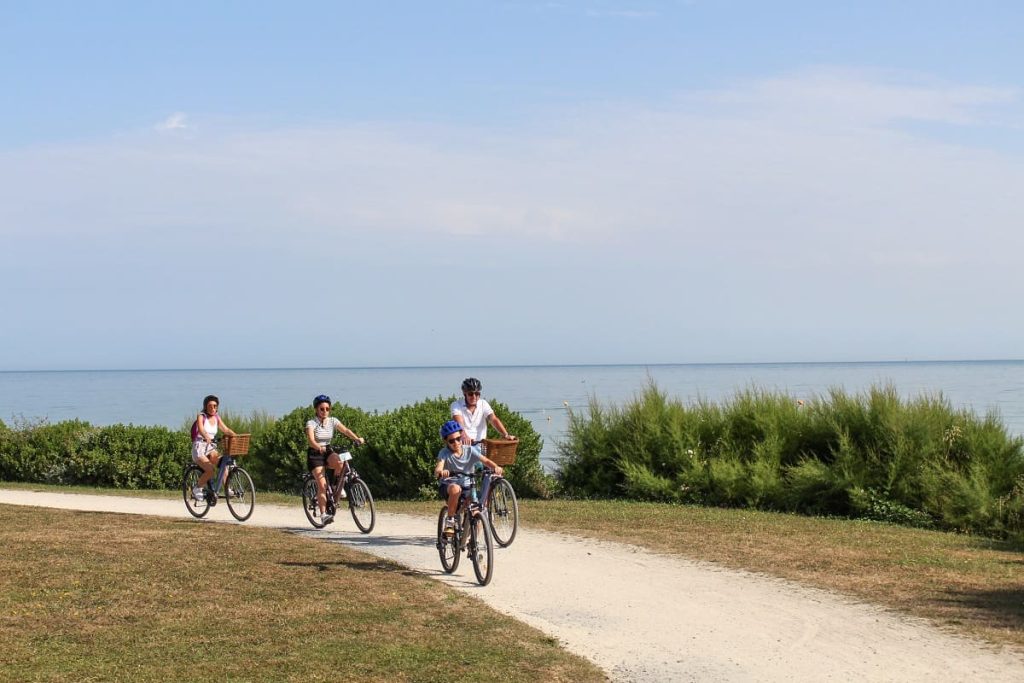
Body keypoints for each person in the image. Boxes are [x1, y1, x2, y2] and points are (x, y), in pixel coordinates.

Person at [434, 419, 504, 536]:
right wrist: (441, 471)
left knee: (475, 508)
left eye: (458, 439)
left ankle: (470, 540)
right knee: (456, 489)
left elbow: (485, 460)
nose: (456, 443)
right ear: (446, 441)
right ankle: (450, 521)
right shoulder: (444, 453)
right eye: (452, 441)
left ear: (461, 437)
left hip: (467, 485)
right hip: (449, 485)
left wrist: (495, 467)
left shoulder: (469, 450)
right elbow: (438, 467)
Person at [306, 394, 365, 525]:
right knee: (322, 486)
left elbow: (345, 430)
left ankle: (337, 486)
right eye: (322, 409)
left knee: (340, 462)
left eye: (327, 409)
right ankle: (323, 515)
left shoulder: (333, 421)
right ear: (316, 409)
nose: (325, 411)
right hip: (315, 454)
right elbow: (310, 439)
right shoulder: (311, 423)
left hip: (327, 450)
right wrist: (317, 446)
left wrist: (356, 438)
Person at [191, 395, 237, 501]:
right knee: (210, 470)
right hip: (199, 448)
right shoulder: (201, 416)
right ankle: (197, 489)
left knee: (223, 465)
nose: (213, 408)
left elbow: (225, 429)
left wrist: (234, 435)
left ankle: (226, 489)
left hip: (210, 447)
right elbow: (201, 429)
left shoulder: (216, 417)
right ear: (205, 406)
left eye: (215, 406)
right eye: (210, 406)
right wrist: (206, 436)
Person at [450, 377, 516, 451]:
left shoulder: (483, 404)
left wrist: (505, 435)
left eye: (477, 394)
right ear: (465, 394)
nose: (474, 397)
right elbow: (459, 422)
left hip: (480, 446)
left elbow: (493, 419)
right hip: (464, 445)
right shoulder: (456, 405)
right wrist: (463, 435)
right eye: (471, 394)